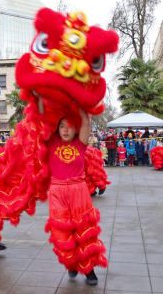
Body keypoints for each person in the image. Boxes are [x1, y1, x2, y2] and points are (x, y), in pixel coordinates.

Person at [38, 95, 106, 285]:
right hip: (57, 191)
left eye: (69, 126)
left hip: (79, 191)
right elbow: (42, 122)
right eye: (62, 126)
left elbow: (85, 122)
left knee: (84, 230)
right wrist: (41, 100)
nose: (66, 129)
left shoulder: (80, 144)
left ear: (75, 129)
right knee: (62, 233)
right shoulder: (51, 142)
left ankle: (90, 269)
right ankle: (71, 263)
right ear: (57, 130)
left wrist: (77, 100)